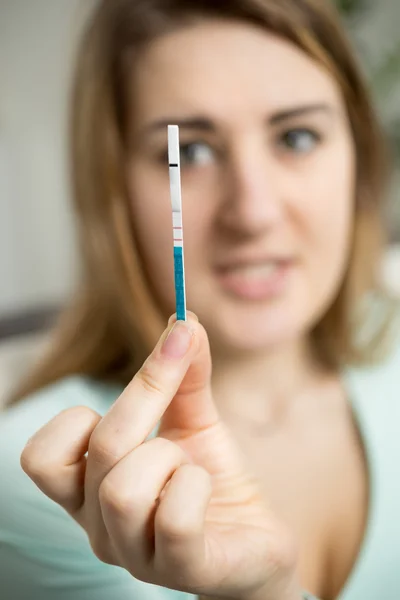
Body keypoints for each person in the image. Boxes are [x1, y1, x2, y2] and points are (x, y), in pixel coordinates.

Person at [0, 0, 399, 599]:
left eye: (296, 136)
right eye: (189, 153)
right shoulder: (53, 479)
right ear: (113, 190)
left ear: (359, 160)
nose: (254, 212)